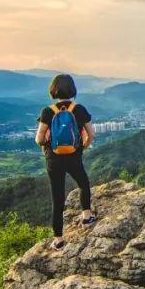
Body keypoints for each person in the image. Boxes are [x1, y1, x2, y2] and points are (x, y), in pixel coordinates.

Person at [34, 74, 97, 250]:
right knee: (83, 183)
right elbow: (91, 134)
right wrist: (83, 146)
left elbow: (39, 139)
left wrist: (46, 145)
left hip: (53, 159)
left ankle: (58, 240)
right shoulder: (79, 109)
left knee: (57, 197)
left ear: (53, 90)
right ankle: (86, 215)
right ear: (72, 90)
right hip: (74, 156)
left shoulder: (48, 111)